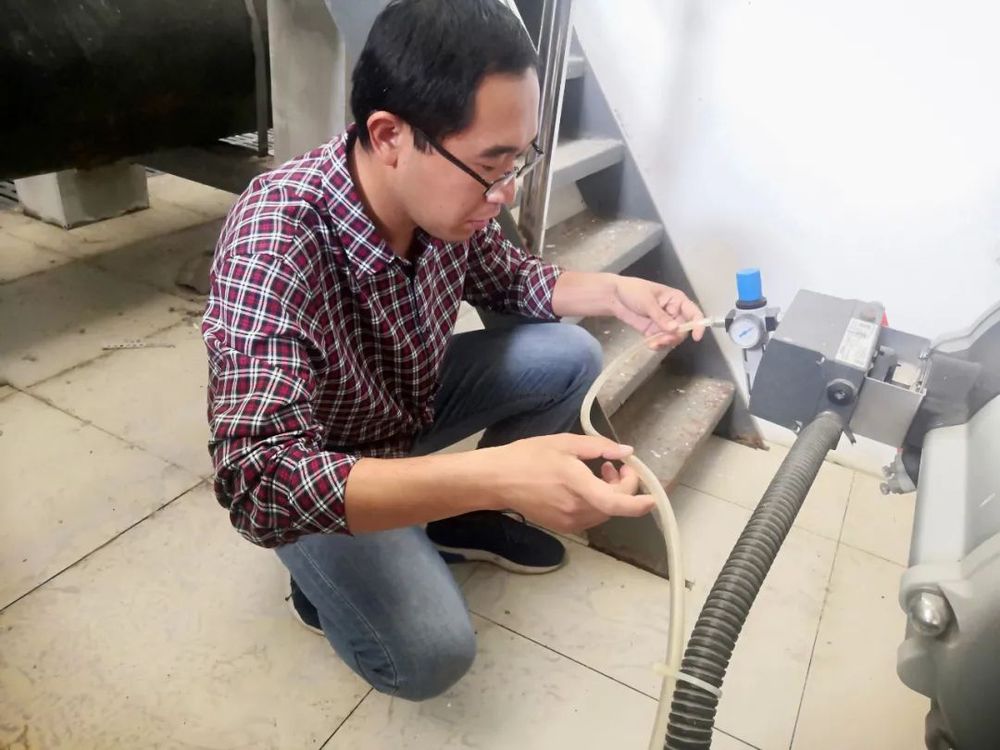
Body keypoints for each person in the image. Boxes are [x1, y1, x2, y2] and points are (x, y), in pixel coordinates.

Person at [202, 0, 705, 702]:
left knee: (569, 356)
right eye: (490, 165)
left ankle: (447, 516)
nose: (504, 194)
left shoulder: (451, 201)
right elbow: (257, 482)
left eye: (518, 161)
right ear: (390, 136)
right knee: (432, 654)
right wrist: (495, 476)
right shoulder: (276, 235)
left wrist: (618, 293)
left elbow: (511, 279)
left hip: (401, 409)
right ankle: (320, 587)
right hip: (326, 459)